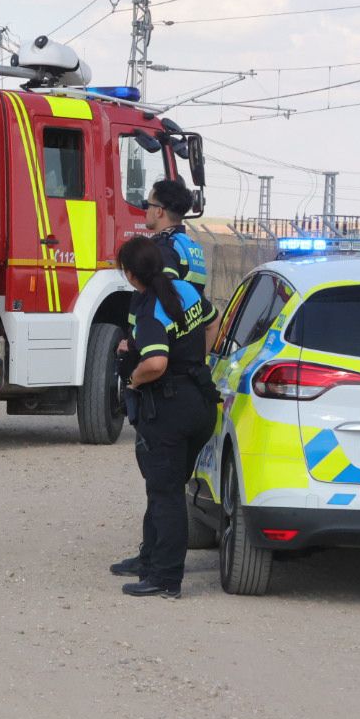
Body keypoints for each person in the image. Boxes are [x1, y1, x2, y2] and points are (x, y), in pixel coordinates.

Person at [109, 235, 218, 598]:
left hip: (169, 409)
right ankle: (151, 559)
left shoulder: (149, 307)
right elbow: (212, 323)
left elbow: (156, 362)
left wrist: (133, 380)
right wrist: (196, 362)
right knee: (164, 488)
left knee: (165, 492)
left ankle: (165, 577)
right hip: (199, 403)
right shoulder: (185, 289)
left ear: (129, 274)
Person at [142, 177, 216, 352]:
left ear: (159, 211)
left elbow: (164, 295)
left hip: (165, 349)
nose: (145, 210)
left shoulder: (164, 248)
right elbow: (211, 318)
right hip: (188, 347)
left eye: (147, 205)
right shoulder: (189, 245)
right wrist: (197, 361)